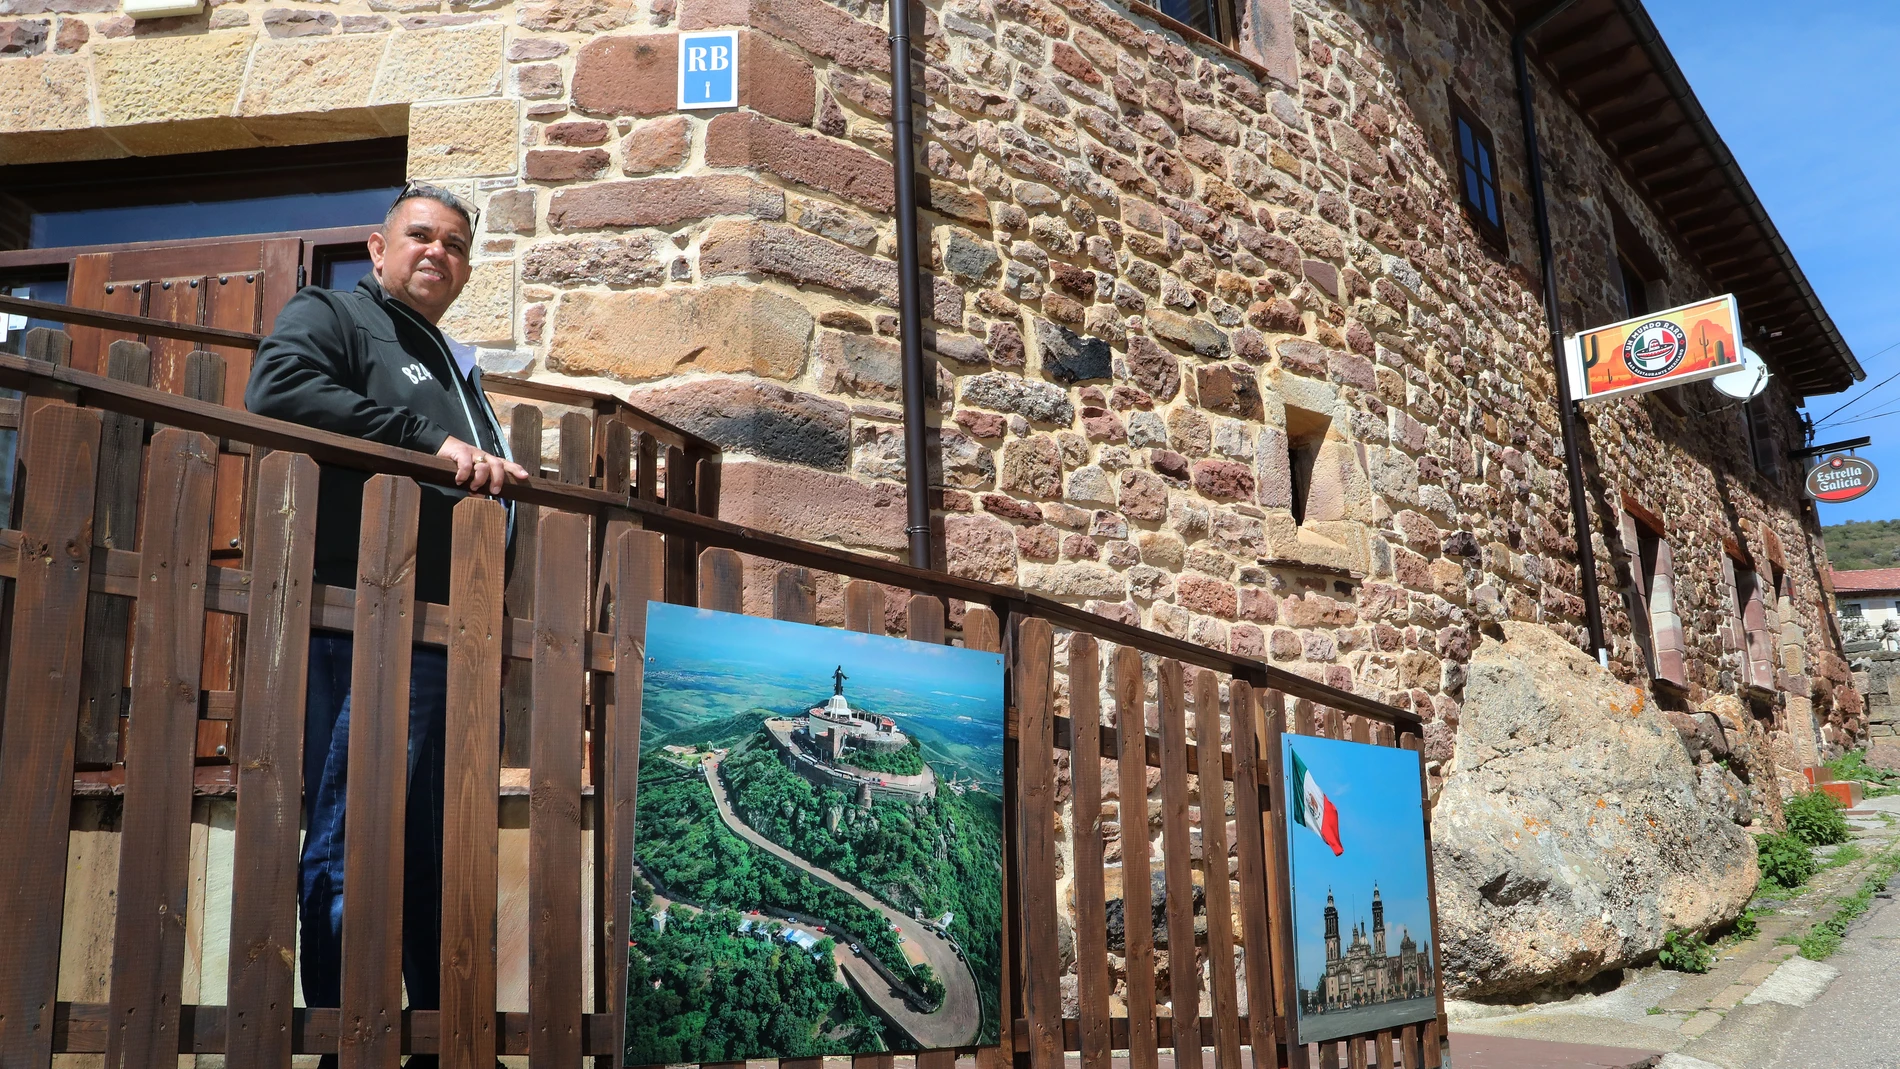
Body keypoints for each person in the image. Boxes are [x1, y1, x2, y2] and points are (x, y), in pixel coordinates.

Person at [245, 181, 528, 1066]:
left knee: (430, 856)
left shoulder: (451, 360)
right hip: (367, 619)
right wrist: (426, 439)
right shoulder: (333, 314)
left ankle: (435, 1043)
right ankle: (345, 1040)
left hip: (453, 635)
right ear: (377, 247)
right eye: (419, 236)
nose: (435, 252)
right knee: (352, 837)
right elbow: (278, 389)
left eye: (453, 243)